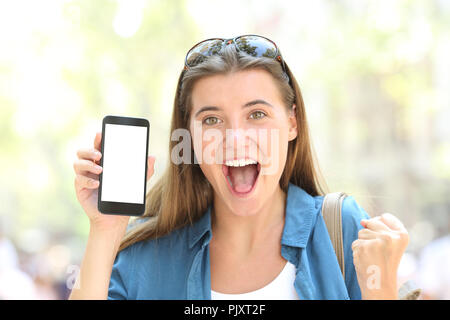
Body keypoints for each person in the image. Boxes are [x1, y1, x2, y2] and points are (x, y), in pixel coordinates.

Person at [69, 35, 409, 300]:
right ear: (189, 136)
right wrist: (106, 230)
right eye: (212, 120)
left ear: (292, 123)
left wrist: (381, 291)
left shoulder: (342, 231)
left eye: (257, 114)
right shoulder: (148, 256)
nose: (235, 139)